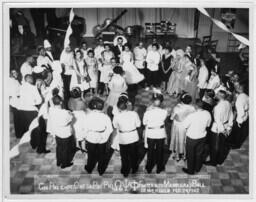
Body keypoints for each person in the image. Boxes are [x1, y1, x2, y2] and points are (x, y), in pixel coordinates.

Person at [83, 97, 113, 175]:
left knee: (90, 154)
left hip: (91, 137)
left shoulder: (88, 116)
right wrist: (105, 138)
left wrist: (85, 137)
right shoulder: (106, 117)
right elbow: (110, 130)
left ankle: (89, 168)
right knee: (102, 155)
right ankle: (101, 170)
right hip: (102, 138)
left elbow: (85, 129)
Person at [113, 99, 141, 177]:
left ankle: (125, 171)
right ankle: (134, 168)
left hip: (123, 138)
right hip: (133, 137)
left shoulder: (117, 116)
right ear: (126, 106)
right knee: (134, 155)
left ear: (118, 108)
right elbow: (138, 125)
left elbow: (115, 126)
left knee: (124, 156)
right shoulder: (134, 113)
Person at [182, 100, 212, 174]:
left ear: (196, 106)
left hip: (192, 138)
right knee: (199, 153)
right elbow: (208, 125)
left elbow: (184, 126)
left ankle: (190, 170)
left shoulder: (191, 115)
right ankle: (197, 168)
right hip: (202, 137)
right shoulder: (208, 113)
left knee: (190, 154)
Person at [205, 90, 233, 166]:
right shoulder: (228, 103)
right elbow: (231, 115)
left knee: (214, 146)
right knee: (222, 145)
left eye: (217, 94)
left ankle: (213, 162)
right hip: (226, 126)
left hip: (217, 129)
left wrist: (223, 131)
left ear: (220, 96)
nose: (215, 95)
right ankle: (220, 160)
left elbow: (218, 121)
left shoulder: (217, 107)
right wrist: (229, 126)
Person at [48, 95, 76, 169]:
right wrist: (71, 114)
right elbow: (70, 119)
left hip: (57, 133)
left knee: (59, 147)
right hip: (65, 133)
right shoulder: (65, 113)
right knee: (65, 149)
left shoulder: (51, 110)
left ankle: (59, 161)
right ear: (61, 102)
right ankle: (65, 164)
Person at [143, 92, 168, 173]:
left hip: (151, 133)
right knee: (160, 151)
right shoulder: (164, 112)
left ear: (153, 102)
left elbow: (144, 123)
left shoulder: (148, 112)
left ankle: (149, 168)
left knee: (150, 151)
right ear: (161, 102)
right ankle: (159, 168)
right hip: (160, 133)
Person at [169, 94, 196, 161]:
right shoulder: (193, 108)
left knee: (178, 140)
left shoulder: (177, 108)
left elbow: (172, 117)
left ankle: (177, 156)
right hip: (188, 126)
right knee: (185, 141)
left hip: (178, 126)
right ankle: (185, 155)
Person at [227, 83, 249, 149]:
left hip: (240, 119)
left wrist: (239, 121)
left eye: (237, 86)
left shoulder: (239, 99)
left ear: (239, 88)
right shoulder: (246, 95)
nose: (236, 87)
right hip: (245, 116)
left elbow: (241, 112)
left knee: (237, 133)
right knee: (239, 133)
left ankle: (235, 145)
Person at [9, 69, 21, 137]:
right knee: (17, 118)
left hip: (18, 100)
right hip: (15, 101)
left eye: (16, 73)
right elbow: (13, 93)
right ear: (11, 74)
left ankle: (19, 132)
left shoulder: (16, 80)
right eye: (14, 73)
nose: (16, 74)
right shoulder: (11, 81)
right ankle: (18, 134)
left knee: (18, 117)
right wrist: (17, 103)